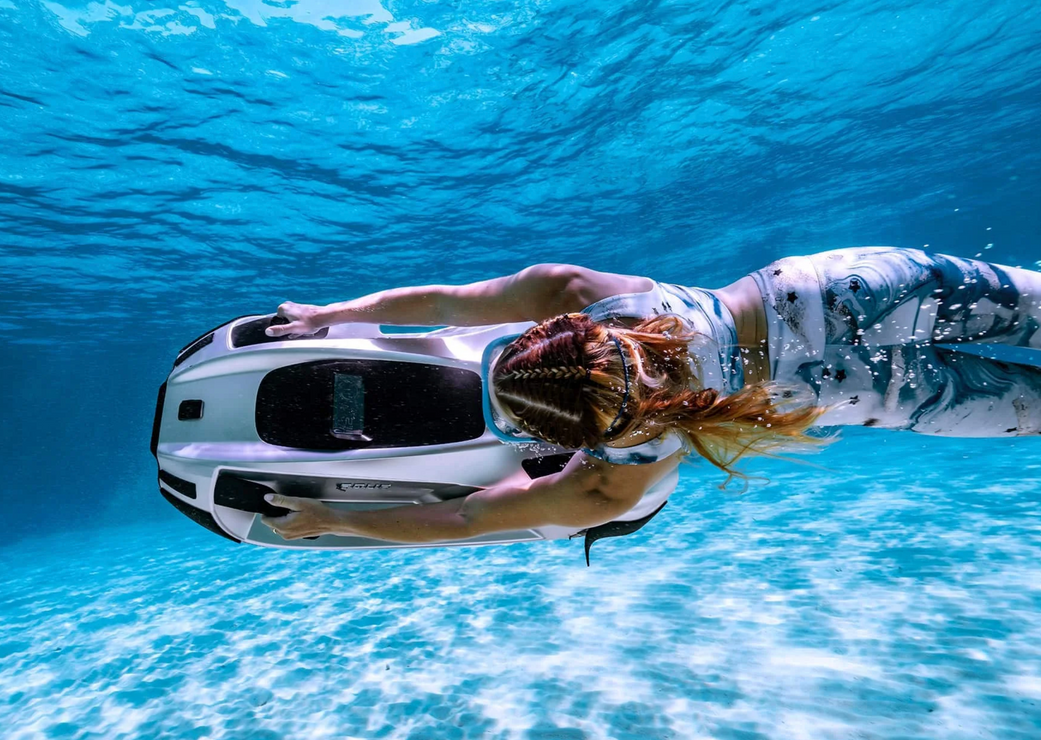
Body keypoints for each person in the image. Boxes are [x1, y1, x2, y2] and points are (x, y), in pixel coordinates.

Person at [261, 247, 1041, 544]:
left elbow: (469, 515)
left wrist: (333, 516)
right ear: (549, 332)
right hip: (838, 289)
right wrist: (332, 316)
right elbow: (445, 305)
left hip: (880, 393)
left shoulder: (624, 466)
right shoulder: (588, 293)